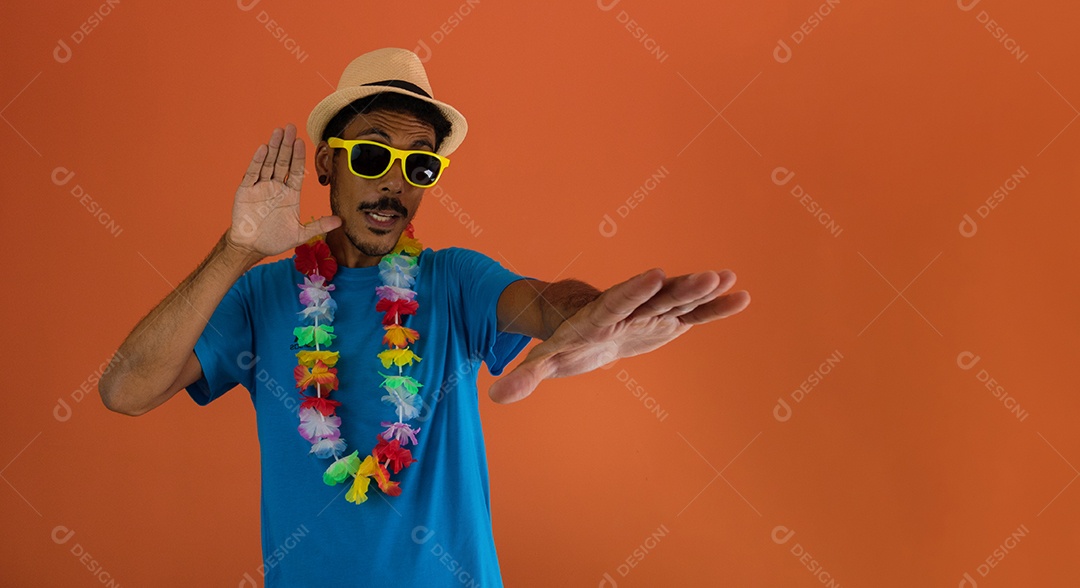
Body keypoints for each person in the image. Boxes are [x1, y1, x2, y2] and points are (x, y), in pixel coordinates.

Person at [98, 47, 750, 586]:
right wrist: (236, 251)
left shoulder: (454, 281)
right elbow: (125, 389)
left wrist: (594, 314)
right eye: (374, 155)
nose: (394, 184)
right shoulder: (258, 297)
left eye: (419, 164)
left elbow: (547, 299)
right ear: (327, 162)